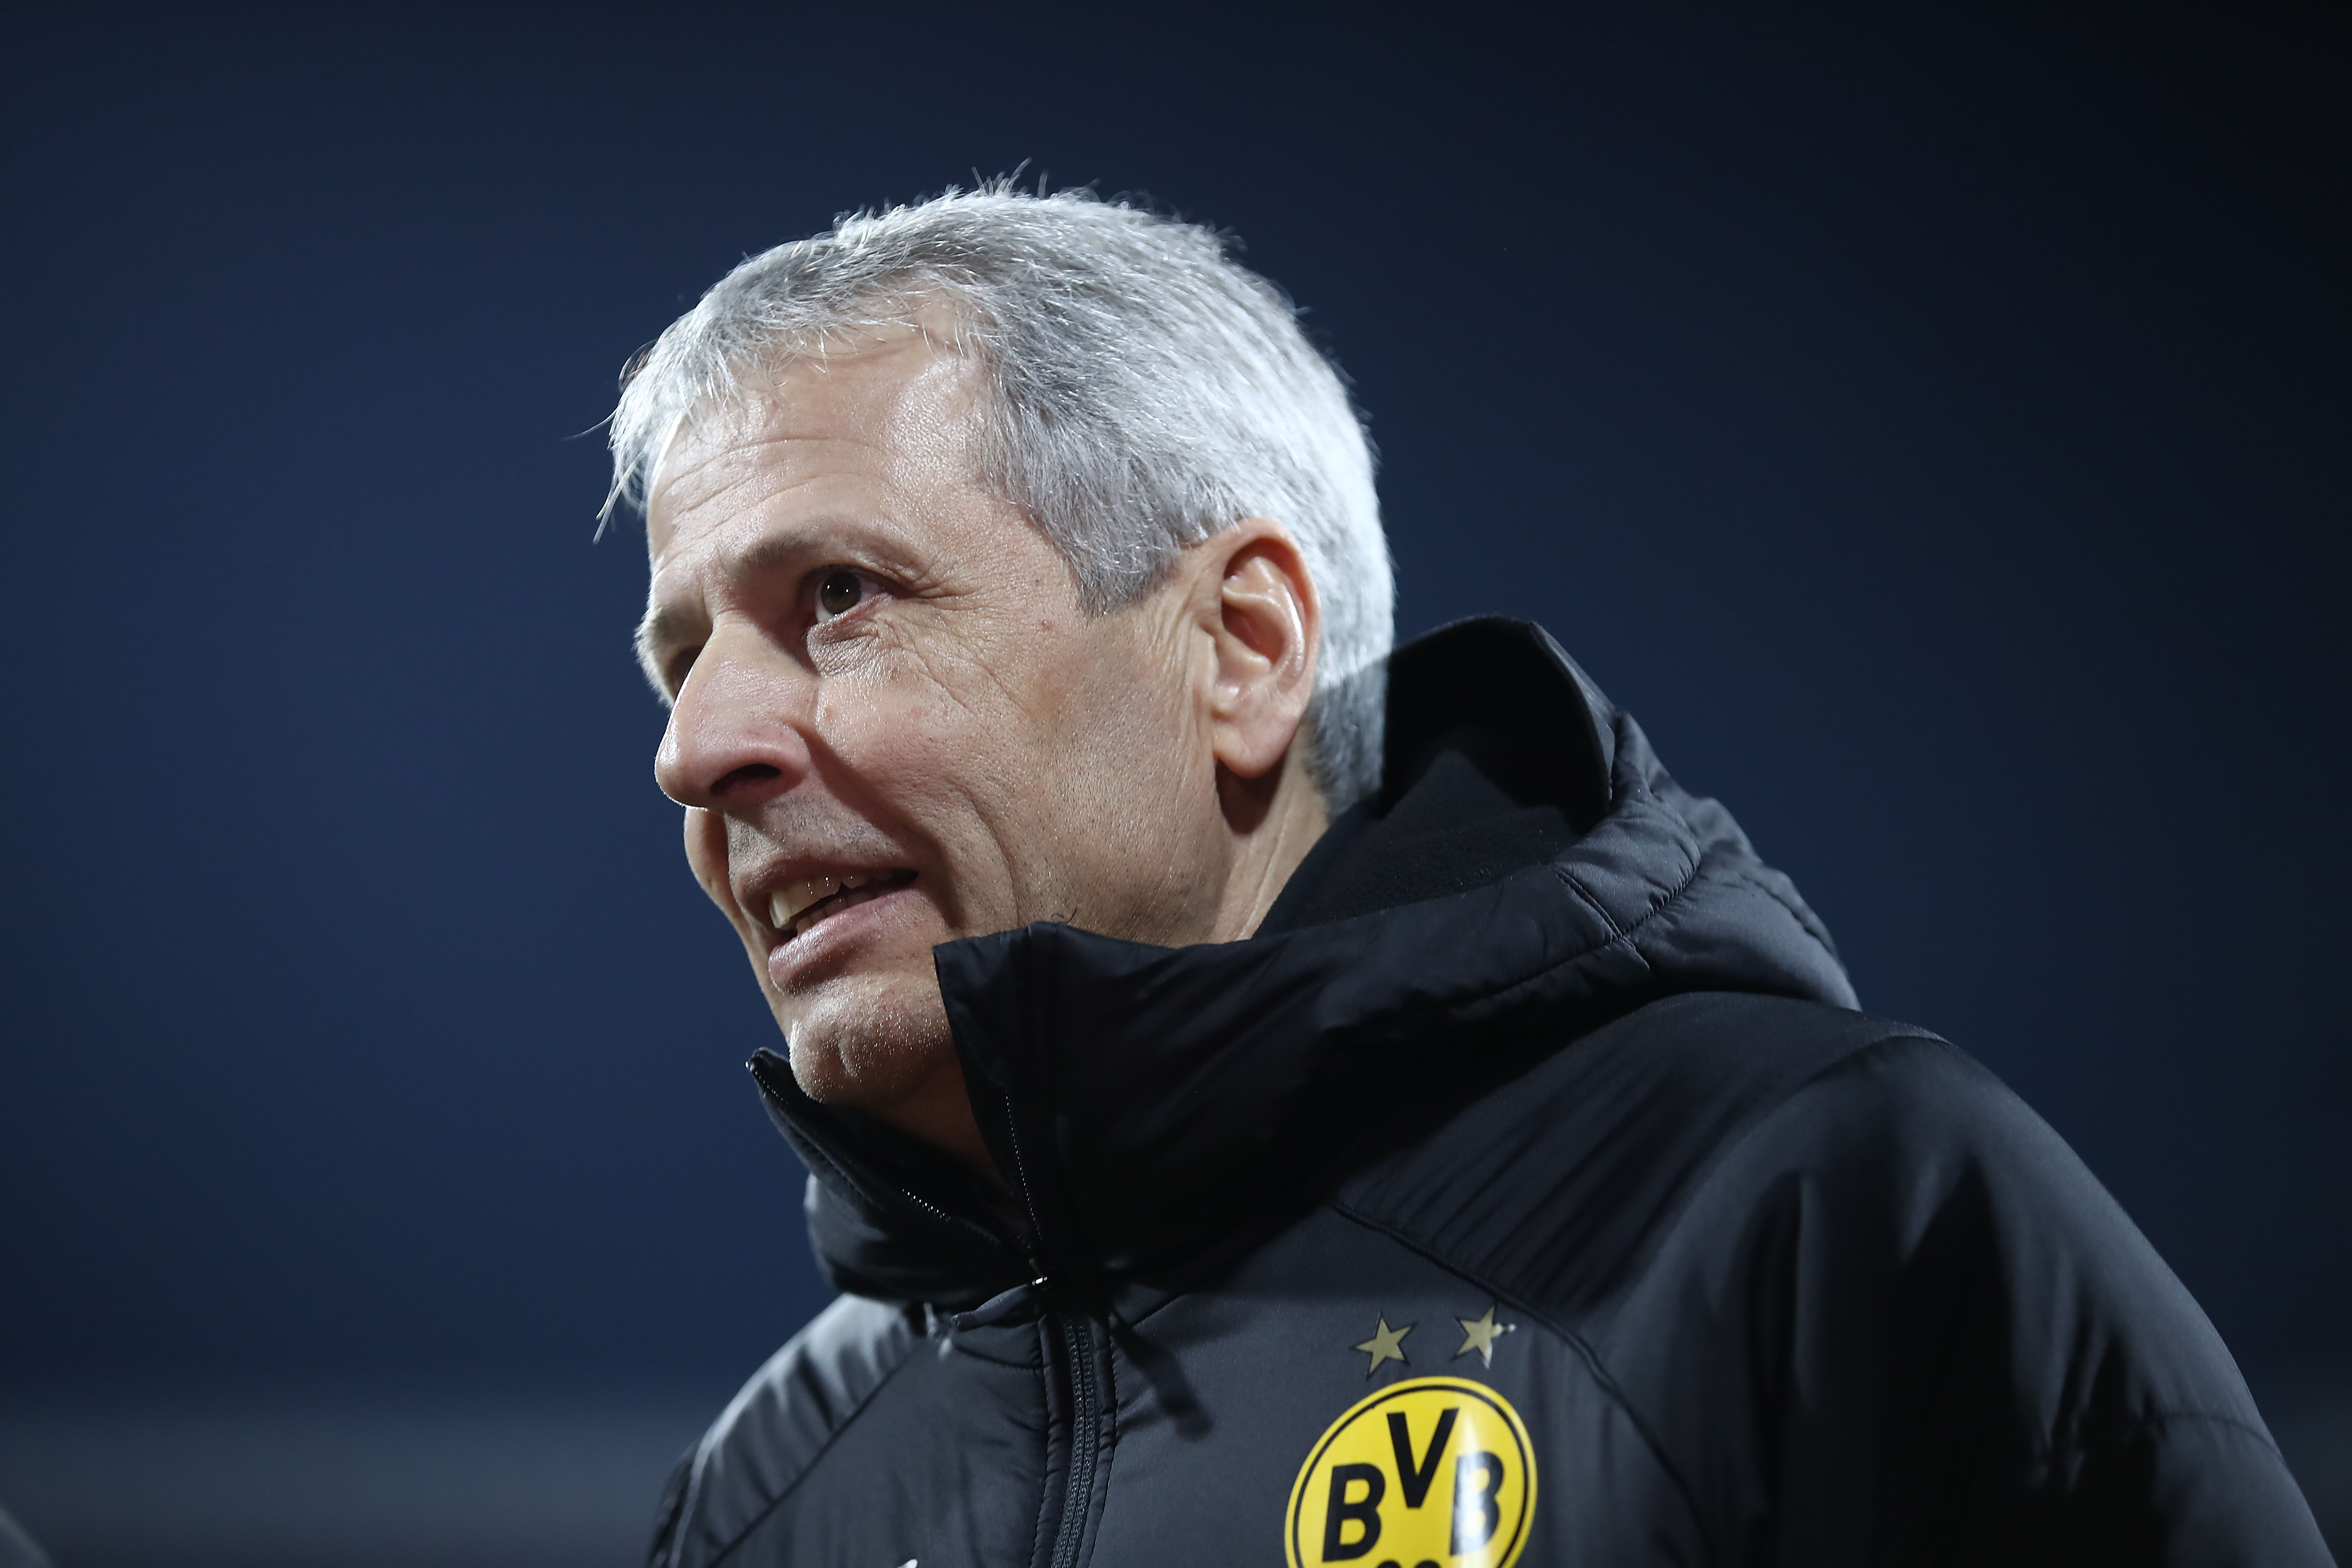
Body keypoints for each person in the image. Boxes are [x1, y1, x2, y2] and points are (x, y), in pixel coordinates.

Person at [606, 187, 2328, 1568]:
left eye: (839, 595)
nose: (701, 752)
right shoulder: (773, 1487)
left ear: (1243, 647)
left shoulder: (1825, 1217)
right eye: (680, 666)